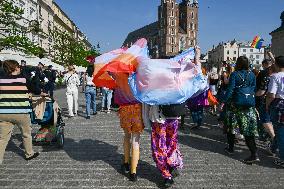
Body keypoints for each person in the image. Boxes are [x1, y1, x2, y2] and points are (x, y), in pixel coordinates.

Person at [220, 56, 259, 164]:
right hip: (248, 105)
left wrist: (223, 102)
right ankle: (254, 153)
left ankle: (231, 148)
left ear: (237, 64)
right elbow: (254, 89)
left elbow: (230, 90)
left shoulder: (234, 74)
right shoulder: (252, 75)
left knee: (231, 127)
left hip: (235, 105)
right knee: (248, 131)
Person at [0, 60, 39, 164]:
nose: (20, 68)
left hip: (4, 113)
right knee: (26, 134)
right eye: (19, 67)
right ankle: (29, 154)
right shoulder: (23, 79)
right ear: (15, 68)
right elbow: (36, 90)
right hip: (21, 112)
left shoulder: (1, 80)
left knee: (2, 138)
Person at [266, 56, 284, 168]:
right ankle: (272, 148)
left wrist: (267, 105)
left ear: (276, 65)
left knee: (280, 132)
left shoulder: (275, 77)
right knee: (279, 131)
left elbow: (271, 95)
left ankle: (282, 158)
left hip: (279, 105)